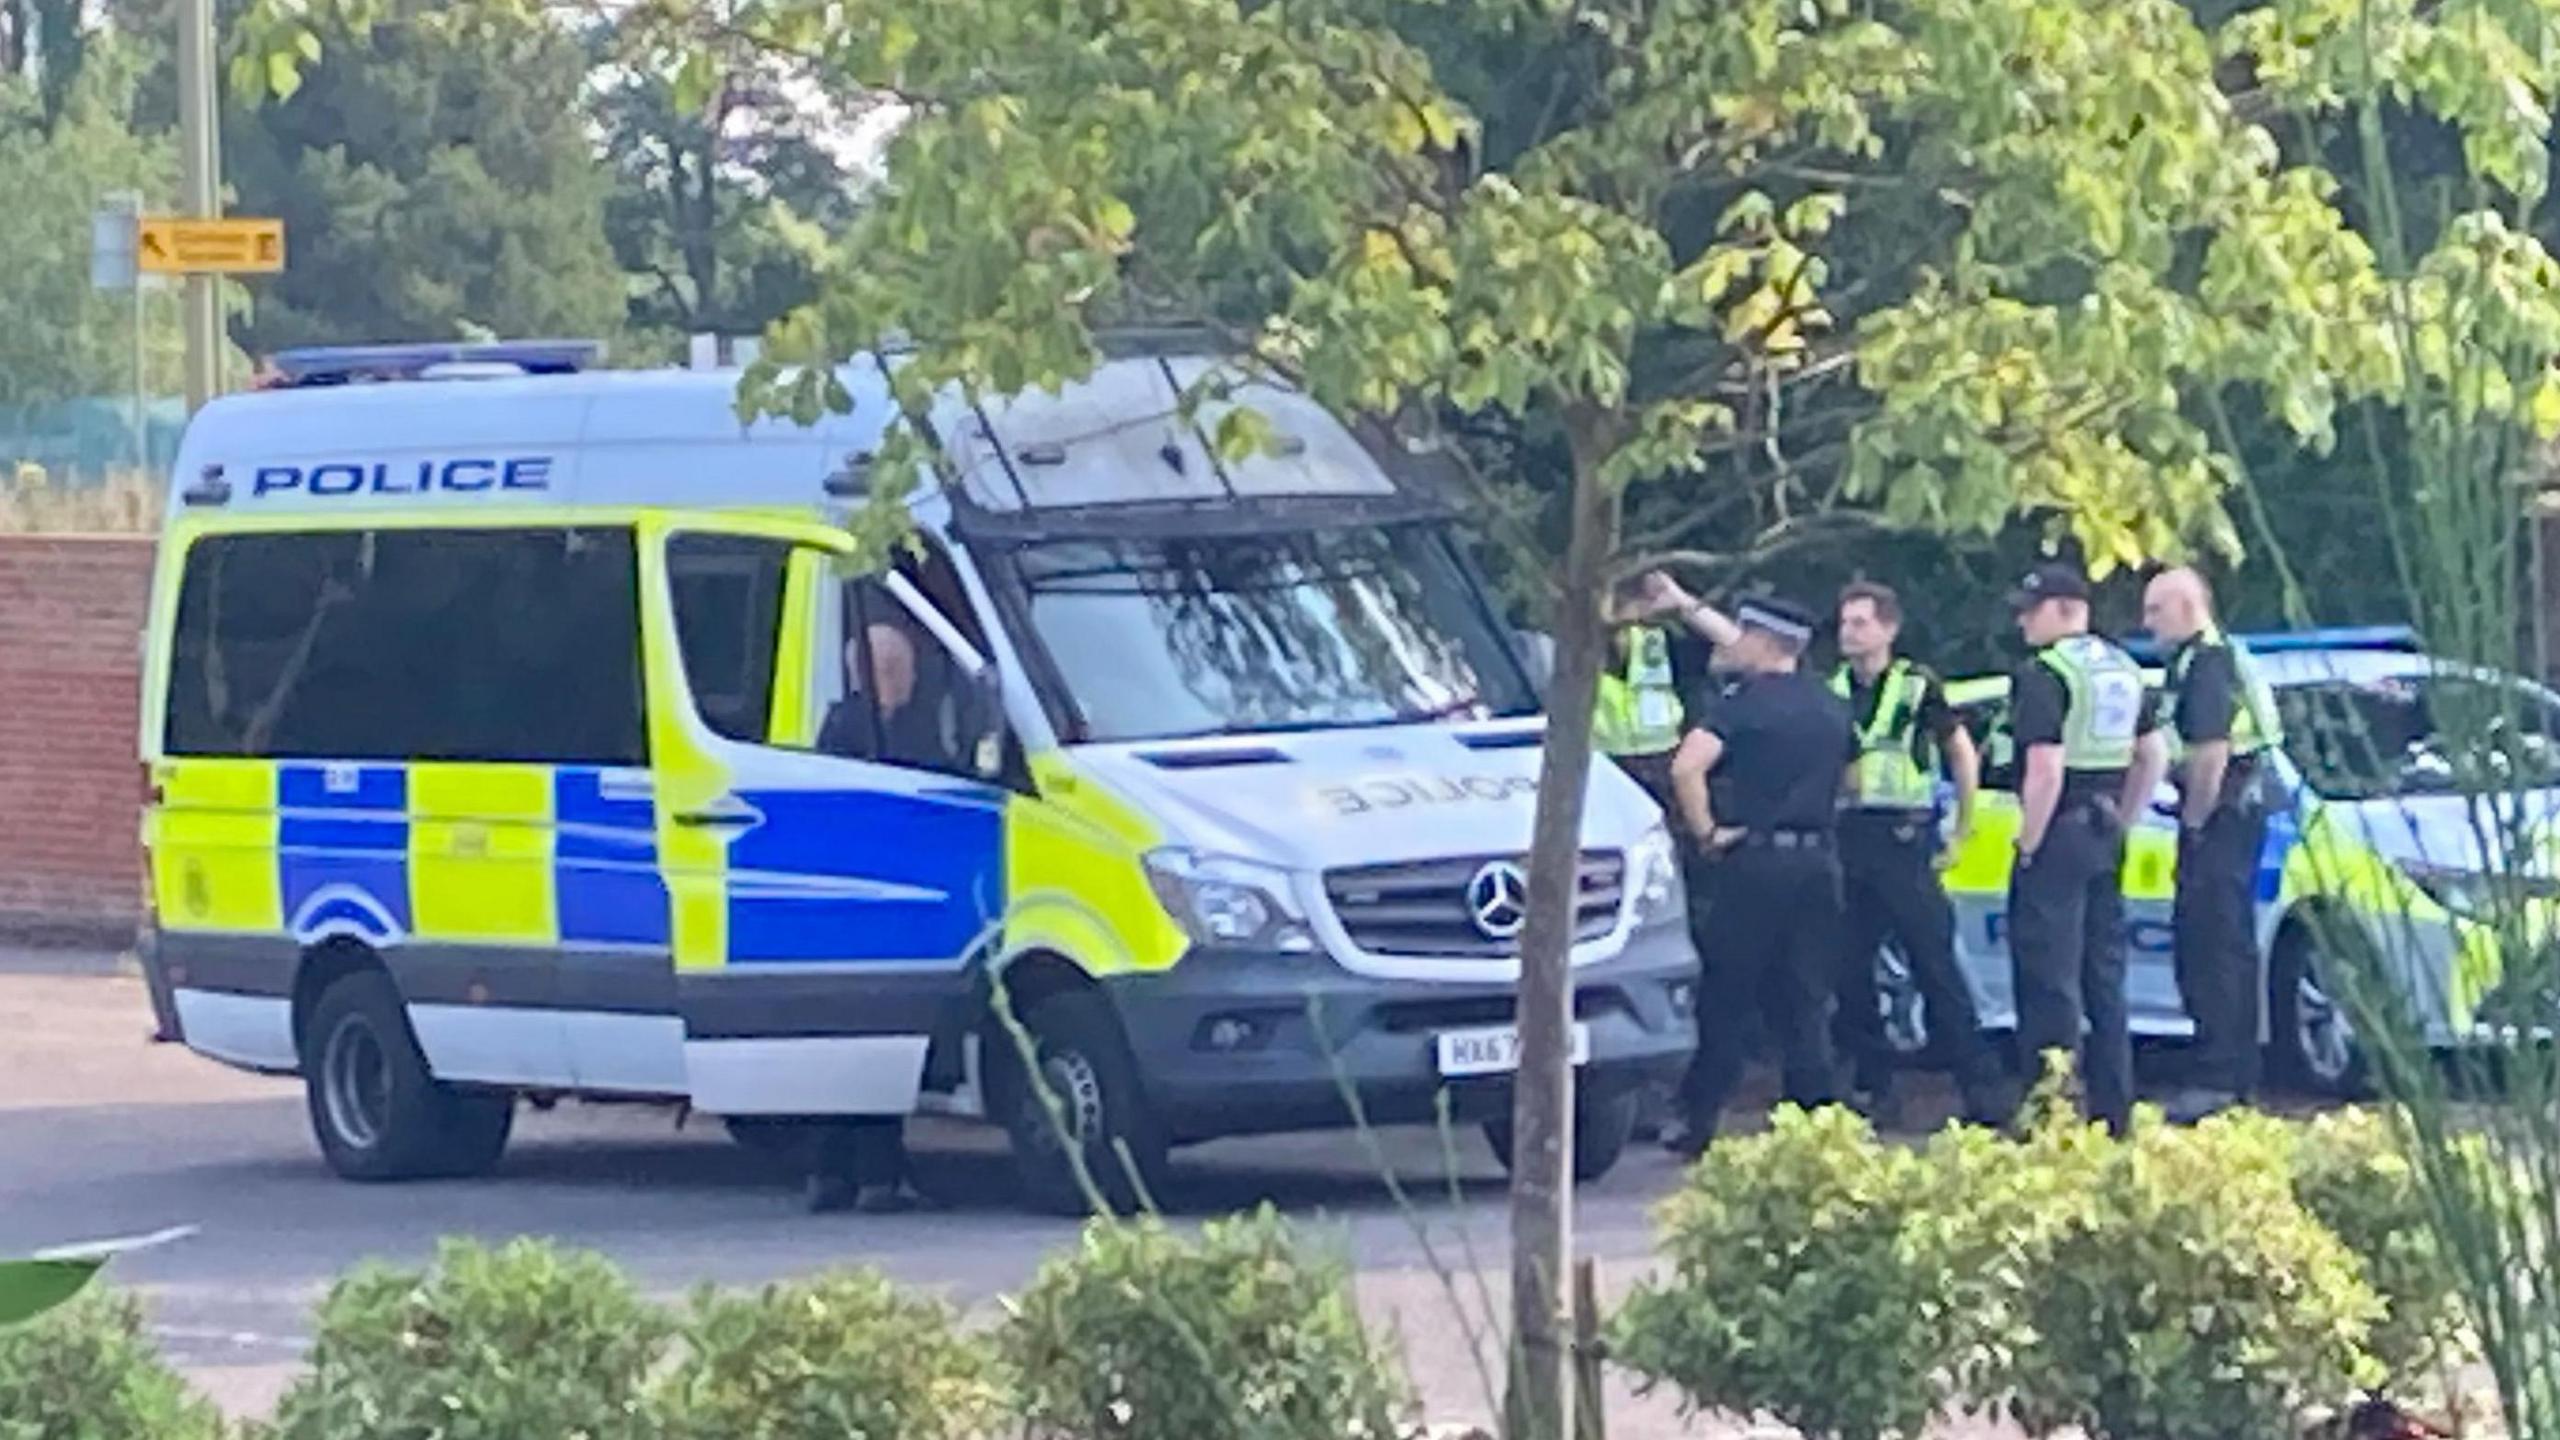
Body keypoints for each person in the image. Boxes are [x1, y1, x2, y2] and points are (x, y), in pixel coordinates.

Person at [1662, 595, 1854, 1155]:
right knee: (1808, 995)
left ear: (1769, 643)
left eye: (1745, 634)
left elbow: (1686, 766)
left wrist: (1706, 831)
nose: (1735, 642)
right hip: (1819, 861)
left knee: (1728, 990)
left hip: (1755, 860)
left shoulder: (1743, 704)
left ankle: (1698, 1120)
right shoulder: (1831, 705)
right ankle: (1814, 1123)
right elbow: (1853, 779)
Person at [1828, 581, 2006, 1127]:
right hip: (1851, 835)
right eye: (1844, 622)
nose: (1848, 632)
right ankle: (1874, 1088)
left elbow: (1959, 752)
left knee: (1936, 968)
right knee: (1849, 972)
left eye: (1860, 622)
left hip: (1905, 839)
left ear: (1887, 629)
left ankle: (1982, 1093)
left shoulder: (1914, 686)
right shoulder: (1833, 688)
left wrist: (1963, 827)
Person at [2003, 563, 2167, 1135]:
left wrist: (2028, 843)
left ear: (2065, 610)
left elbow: (2043, 769)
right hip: (2104, 830)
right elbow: (2153, 756)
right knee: (2104, 975)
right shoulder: (2124, 667)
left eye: (2031, 610)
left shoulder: (2045, 673)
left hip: (2061, 831)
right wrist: (2125, 816)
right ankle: (2115, 1111)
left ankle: (2052, 1115)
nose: (2022, 621)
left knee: (2050, 977)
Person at [2143, 567, 2284, 1123]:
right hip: (2235, 814)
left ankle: (2222, 1078)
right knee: (2216, 947)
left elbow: (2210, 752)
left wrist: (2195, 820)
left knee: (2214, 950)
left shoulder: (2208, 663)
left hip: (2223, 816)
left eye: (2156, 610)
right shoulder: (2211, 658)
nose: (2146, 621)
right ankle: (2227, 1072)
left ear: (2186, 606)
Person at [1593, 575, 1687, 813]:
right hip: (1604, 761)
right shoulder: (1579, 650)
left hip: (1662, 759)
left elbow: (1731, 642)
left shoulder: (1658, 639)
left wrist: (1682, 601)